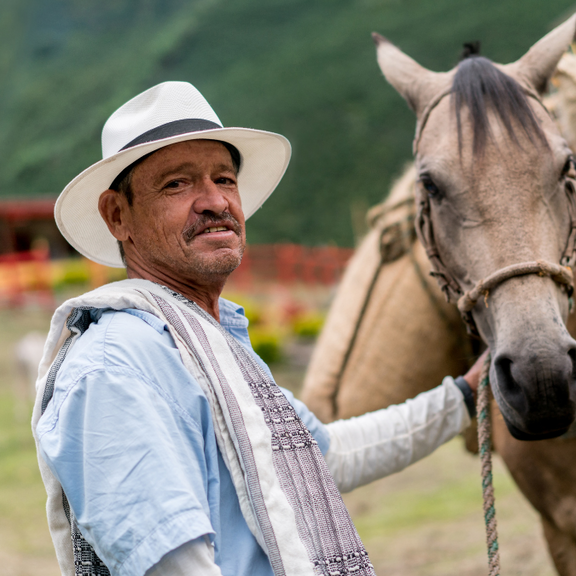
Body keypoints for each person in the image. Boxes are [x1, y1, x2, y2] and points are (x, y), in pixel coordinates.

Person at [31, 81, 486, 576]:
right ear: (119, 216)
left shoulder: (211, 346)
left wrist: (464, 395)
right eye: (177, 184)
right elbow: (173, 565)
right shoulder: (115, 367)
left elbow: (322, 458)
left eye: (224, 179)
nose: (214, 202)